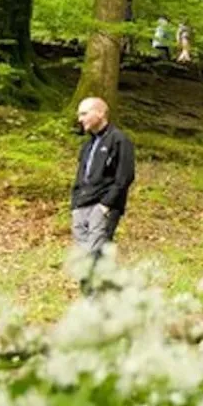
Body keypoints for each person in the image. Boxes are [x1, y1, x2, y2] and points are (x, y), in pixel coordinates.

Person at [71, 97, 136, 293]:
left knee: (96, 255)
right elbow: (81, 176)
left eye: (84, 113)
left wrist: (106, 205)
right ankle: (103, 296)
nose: (80, 119)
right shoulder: (88, 145)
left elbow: (125, 176)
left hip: (102, 207)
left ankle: (95, 300)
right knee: (83, 256)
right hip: (81, 206)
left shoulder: (119, 140)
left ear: (100, 113)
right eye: (79, 114)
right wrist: (74, 205)